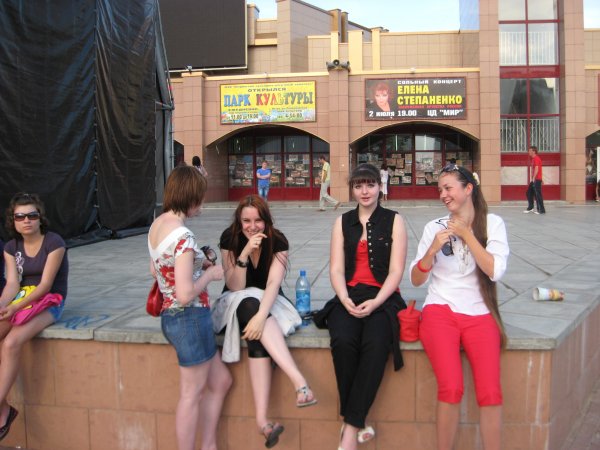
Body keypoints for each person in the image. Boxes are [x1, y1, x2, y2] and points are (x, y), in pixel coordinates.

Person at [410, 163, 509, 450]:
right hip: (440, 312)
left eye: (448, 188)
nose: (443, 194)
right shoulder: (434, 227)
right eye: (440, 189)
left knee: (491, 393)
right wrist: (431, 251)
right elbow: (416, 279)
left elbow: (495, 270)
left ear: (468, 189)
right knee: (451, 388)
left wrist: (467, 234)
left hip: (480, 314)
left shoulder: (492, 224)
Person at [314, 164, 408, 450]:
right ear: (352, 190)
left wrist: (376, 302)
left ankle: (350, 429)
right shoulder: (342, 222)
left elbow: (396, 271)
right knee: (343, 341)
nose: (365, 191)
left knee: (377, 343)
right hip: (350, 294)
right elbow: (336, 269)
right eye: (358, 186)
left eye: (370, 185)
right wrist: (344, 298)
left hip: (384, 296)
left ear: (380, 186)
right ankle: (357, 421)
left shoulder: (394, 220)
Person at [213, 194, 317, 448]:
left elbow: (273, 284)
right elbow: (235, 286)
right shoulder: (230, 238)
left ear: (266, 220)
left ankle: (263, 422)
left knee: (255, 328)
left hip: (268, 303)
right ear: (239, 221)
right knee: (248, 303)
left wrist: (261, 317)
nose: (252, 226)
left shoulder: (277, 240)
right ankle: (300, 383)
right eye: (246, 221)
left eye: (257, 220)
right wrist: (245, 252)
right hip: (234, 302)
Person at [147, 166, 231, 450]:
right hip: (189, 317)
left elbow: (155, 269)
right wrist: (210, 274)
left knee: (220, 381)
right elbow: (184, 294)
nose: (202, 205)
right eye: (201, 198)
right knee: (191, 395)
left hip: (173, 317)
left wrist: (195, 263)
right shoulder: (183, 236)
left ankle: (209, 445)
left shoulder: (158, 225)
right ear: (191, 197)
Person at [0, 192, 69, 442]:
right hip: (22, 300)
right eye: (20, 217)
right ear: (13, 221)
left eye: (32, 215)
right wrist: (3, 306)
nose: (26, 220)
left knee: (11, 342)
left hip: (50, 301)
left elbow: (46, 285)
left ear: (40, 218)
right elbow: (12, 284)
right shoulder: (11, 247)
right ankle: (4, 409)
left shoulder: (54, 242)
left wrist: (15, 308)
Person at [524, 145, 545, 214]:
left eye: (530, 151)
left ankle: (541, 210)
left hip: (536, 179)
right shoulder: (533, 159)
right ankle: (531, 207)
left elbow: (537, 169)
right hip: (536, 179)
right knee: (529, 192)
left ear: (534, 151)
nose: (528, 152)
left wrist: (534, 179)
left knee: (538, 194)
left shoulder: (536, 158)